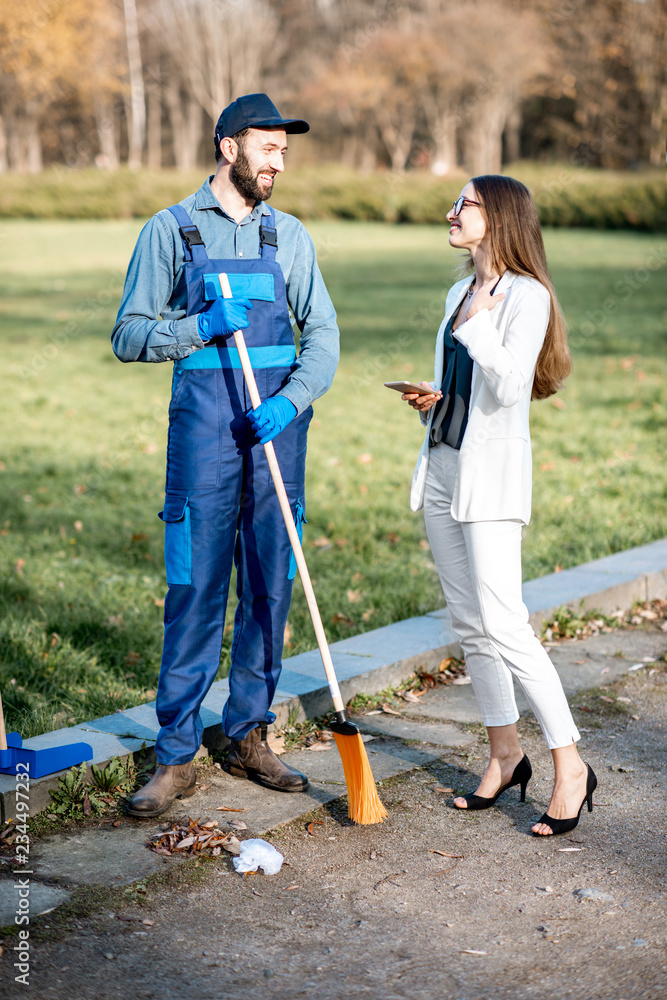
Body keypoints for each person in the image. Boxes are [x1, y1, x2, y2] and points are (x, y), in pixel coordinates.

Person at [112, 94, 339, 817]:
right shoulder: (171, 232)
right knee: (195, 590)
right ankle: (174, 754)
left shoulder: (290, 236)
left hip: (276, 438)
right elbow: (128, 334)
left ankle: (247, 732)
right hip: (203, 441)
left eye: (283, 150)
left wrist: (290, 400)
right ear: (228, 147)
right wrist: (199, 325)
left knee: (270, 587)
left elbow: (324, 338)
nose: (278, 161)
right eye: (267, 148)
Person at [403, 175, 596, 836]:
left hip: (491, 482)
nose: (450, 213)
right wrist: (434, 393)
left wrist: (478, 327)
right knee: (470, 623)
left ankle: (569, 767)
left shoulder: (526, 295)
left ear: (500, 217)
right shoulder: (458, 290)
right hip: (443, 467)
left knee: (505, 622)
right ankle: (503, 754)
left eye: (465, 204)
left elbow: (513, 380)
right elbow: (470, 381)